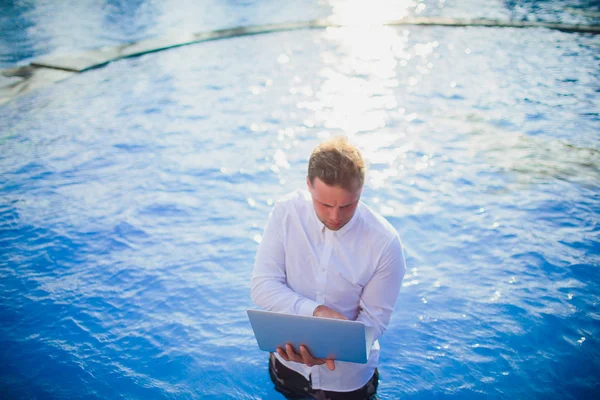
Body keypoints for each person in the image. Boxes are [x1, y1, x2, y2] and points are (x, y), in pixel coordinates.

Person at [251, 137, 406, 399]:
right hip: (287, 365)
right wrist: (317, 312)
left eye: (347, 205)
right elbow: (263, 286)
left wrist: (331, 349)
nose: (335, 216)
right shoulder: (285, 213)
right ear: (309, 185)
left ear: (361, 191)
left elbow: (374, 322)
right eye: (325, 204)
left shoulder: (385, 243)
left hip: (347, 381)